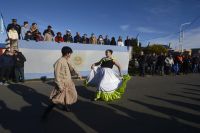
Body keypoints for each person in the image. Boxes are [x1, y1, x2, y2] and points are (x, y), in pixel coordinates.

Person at [42, 46, 82, 119]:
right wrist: (60, 86)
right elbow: (56, 75)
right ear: (67, 53)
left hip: (69, 82)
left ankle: (65, 107)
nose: (70, 55)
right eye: (70, 53)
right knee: (56, 100)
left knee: (70, 95)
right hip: (62, 84)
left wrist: (78, 74)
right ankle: (46, 113)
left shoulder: (67, 60)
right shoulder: (60, 61)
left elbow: (73, 67)